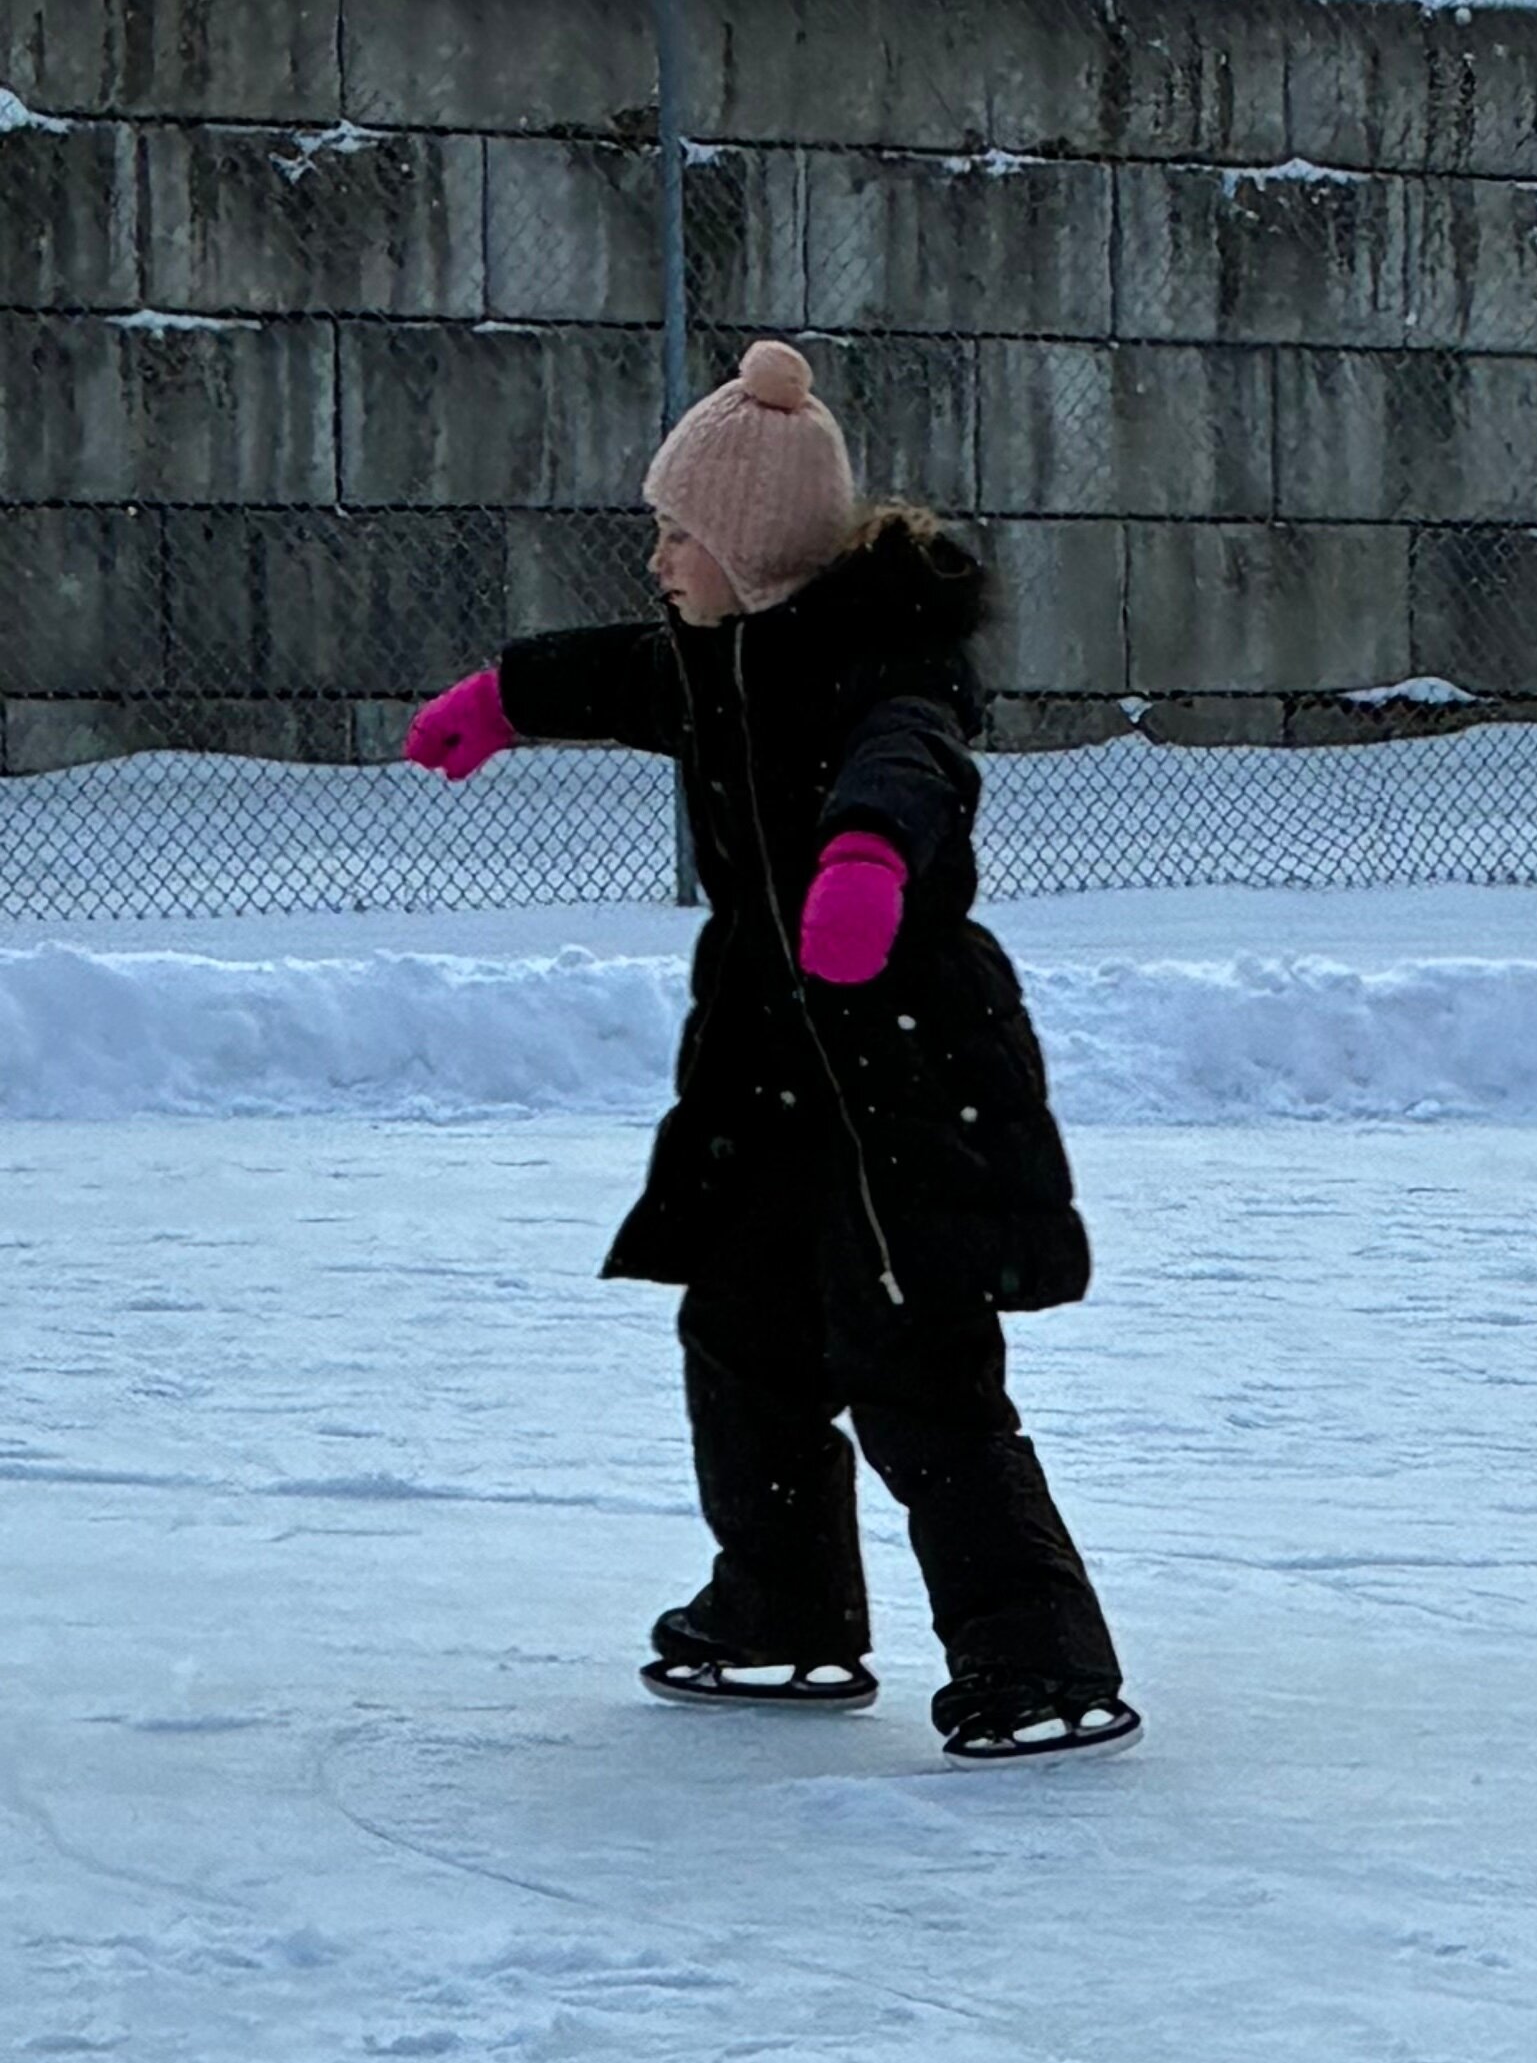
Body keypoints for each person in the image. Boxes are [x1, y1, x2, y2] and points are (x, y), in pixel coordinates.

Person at [400, 339, 1139, 1759]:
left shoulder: (882, 669)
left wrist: (866, 858)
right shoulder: (712, 661)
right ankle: (781, 1610)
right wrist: (500, 698)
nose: (659, 560)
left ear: (750, 549)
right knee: (741, 1336)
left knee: (918, 1371)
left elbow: (910, 761)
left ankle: (1038, 1660)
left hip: (899, 1071)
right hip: (768, 1071)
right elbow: (617, 675)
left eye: (679, 533)